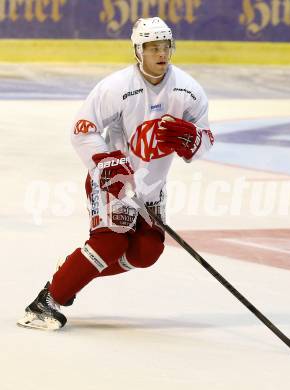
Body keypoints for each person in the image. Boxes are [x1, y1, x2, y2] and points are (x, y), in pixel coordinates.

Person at [17, 17, 214, 330]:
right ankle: (46, 302)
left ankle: (73, 269)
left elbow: (205, 138)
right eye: (152, 47)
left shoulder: (188, 90)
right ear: (138, 50)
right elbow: (83, 129)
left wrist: (195, 141)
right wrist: (106, 160)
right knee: (110, 244)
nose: (160, 53)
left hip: (151, 186)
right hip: (114, 180)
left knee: (146, 252)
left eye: (164, 46)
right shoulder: (116, 87)